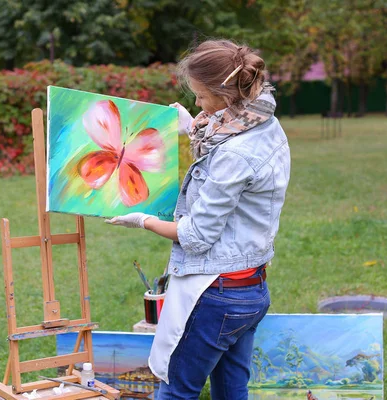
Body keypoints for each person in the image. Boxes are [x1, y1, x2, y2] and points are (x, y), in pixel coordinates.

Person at [105, 39, 291, 400]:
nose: (197, 104)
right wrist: (193, 126)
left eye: (202, 98)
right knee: (231, 390)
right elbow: (229, 152)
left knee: (175, 391)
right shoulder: (262, 121)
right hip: (251, 290)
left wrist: (143, 221)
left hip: (216, 294)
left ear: (225, 96)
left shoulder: (235, 154)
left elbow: (196, 236)